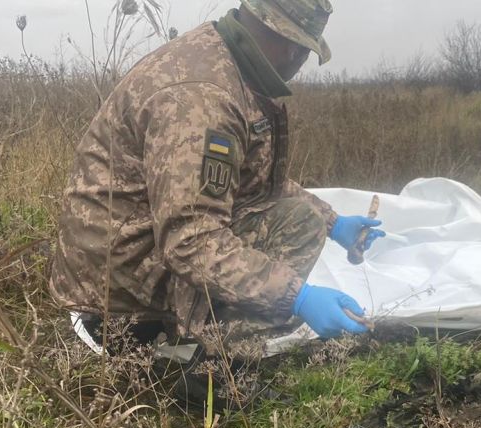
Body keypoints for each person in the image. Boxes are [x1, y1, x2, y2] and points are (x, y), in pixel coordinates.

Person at [48, 0, 385, 407]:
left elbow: (254, 183)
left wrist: (333, 222)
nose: (300, 62)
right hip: (115, 296)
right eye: (301, 49)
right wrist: (295, 295)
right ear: (283, 39)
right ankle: (201, 369)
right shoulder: (204, 98)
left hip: (140, 248)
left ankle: (202, 347)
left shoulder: (235, 68)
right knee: (288, 234)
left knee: (302, 219)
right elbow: (190, 240)